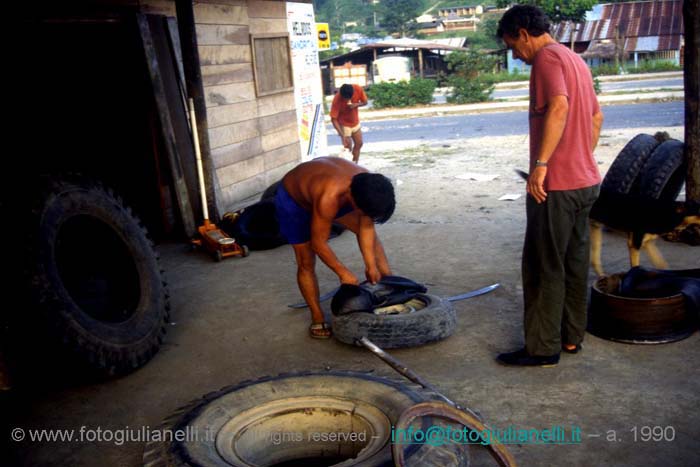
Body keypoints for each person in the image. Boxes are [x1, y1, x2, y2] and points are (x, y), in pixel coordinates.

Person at [495, 4, 604, 366]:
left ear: (524, 33)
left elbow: (558, 106)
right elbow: (596, 117)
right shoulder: (575, 59)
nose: (516, 54)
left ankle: (542, 348)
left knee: (544, 266)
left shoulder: (546, 59)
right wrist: (579, 158)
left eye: (513, 45)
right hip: (585, 182)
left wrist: (542, 166)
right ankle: (572, 338)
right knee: (575, 264)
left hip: (555, 188)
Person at [274, 157, 395, 338]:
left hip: (329, 187)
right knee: (306, 260)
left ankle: (390, 282)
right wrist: (343, 273)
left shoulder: (368, 185)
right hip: (294, 201)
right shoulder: (329, 198)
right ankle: (317, 316)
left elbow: (366, 228)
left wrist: (371, 266)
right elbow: (319, 243)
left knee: (372, 238)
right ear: (354, 202)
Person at [330, 83, 367, 163]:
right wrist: (341, 135)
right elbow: (333, 119)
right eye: (345, 98)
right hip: (344, 124)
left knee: (359, 143)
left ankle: (355, 164)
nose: (347, 100)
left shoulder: (357, 88)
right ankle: (348, 166)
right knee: (348, 148)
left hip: (355, 122)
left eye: (349, 98)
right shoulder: (337, 99)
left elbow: (365, 102)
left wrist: (356, 104)